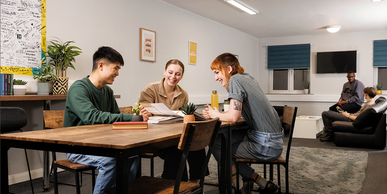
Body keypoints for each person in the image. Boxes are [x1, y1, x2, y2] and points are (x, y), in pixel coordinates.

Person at [63, 46, 149, 194]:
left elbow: (116, 120)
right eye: (116, 68)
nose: (117, 73)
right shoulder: (78, 88)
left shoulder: (108, 91)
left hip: (101, 144)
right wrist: (132, 118)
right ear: (101, 66)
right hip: (77, 146)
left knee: (133, 155)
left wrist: (136, 120)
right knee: (110, 162)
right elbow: (92, 117)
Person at [202, 53, 282, 194]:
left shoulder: (235, 81)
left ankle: (239, 185)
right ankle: (260, 182)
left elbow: (233, 117)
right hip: (272, 140)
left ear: (228, 69)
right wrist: (219, 115)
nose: (215, 78)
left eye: (217, 72)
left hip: (266, 144)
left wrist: (216, 115)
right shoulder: (248, 78)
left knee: (218, 146)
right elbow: (239, 116)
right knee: (220, 140)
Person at [138, 59, 209, 183]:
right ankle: (175, 187)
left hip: (174, 135)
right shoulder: (150, 89)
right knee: (177, 150)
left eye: (178, 74)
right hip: (155, 138)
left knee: (196, 144)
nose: (173, 77)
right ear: (164, 72)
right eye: (170, 72)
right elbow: (143, 113)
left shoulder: (183, 94)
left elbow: (185, 116)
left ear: (181, 76)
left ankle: (195, 184)